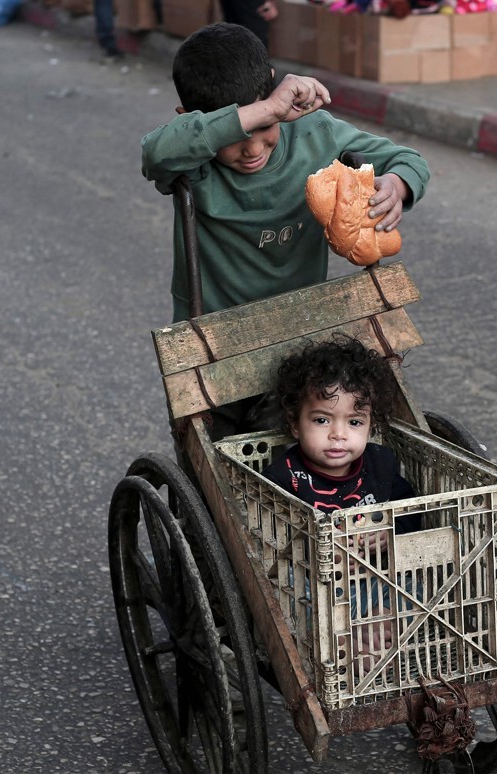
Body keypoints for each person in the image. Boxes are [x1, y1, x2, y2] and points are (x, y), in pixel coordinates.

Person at [141, 22, 431, 325]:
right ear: (188, 120)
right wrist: (269, 110)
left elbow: (409, 160)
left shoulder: (313, 134)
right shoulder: (192, 156)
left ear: (271, 83)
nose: (252, 150)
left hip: (302, 316)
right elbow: (154, 152)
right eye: (233, 136)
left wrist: (396, 186)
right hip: (213, 326)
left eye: (265, 127)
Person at [262, 337, 421, 667]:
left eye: (354, 422)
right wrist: (313, 551)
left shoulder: (380, 464)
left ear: (370, 426)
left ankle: (378, 625)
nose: (338, 434)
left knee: (419, 579)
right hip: (319, 588)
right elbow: (268, 541)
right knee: (291, 588)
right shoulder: (284, 476)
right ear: (295, 424)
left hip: (375, 578)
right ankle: (346, 639)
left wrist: (387, 528)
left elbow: (410, 509)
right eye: (321, 420)